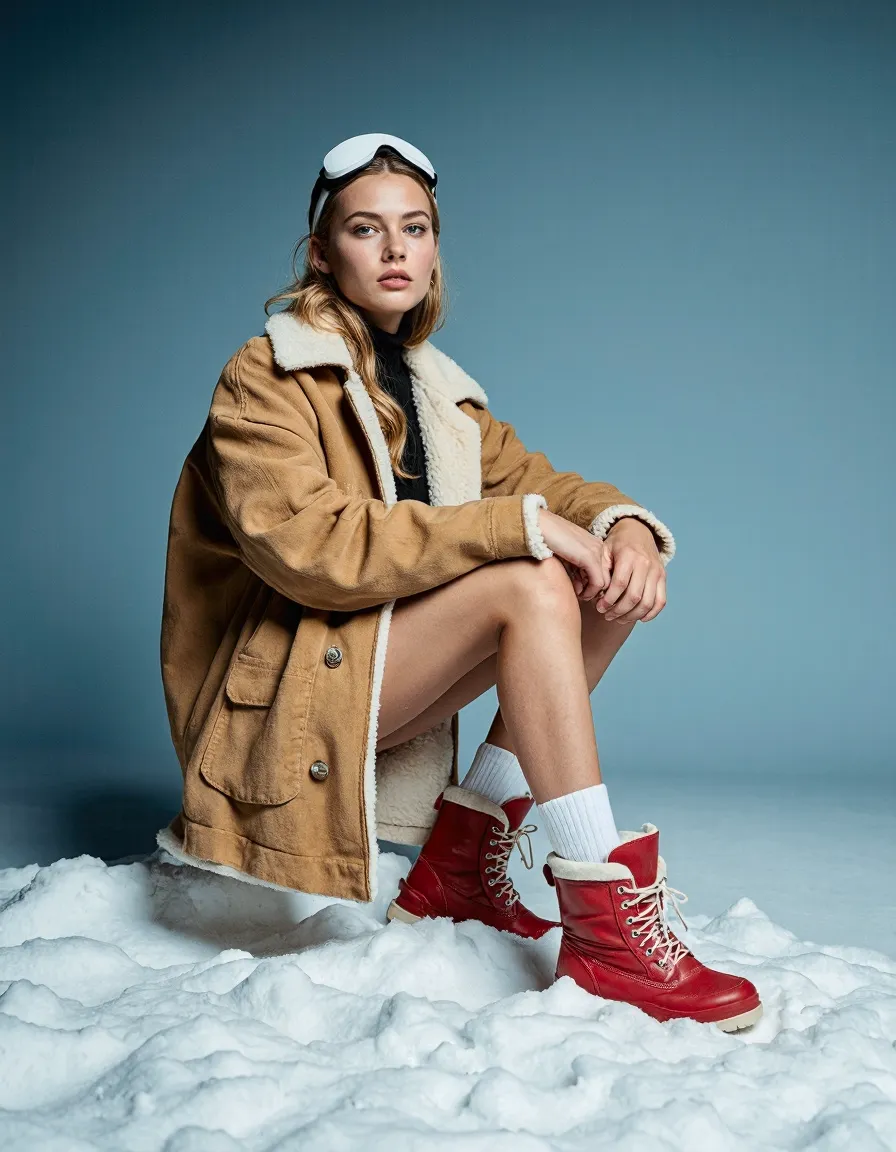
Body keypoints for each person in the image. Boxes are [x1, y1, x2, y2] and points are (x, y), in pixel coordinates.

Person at [157, 133, 762, 1032]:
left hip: (364, 678)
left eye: (415, 228)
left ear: (435, 246)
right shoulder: (267, 377)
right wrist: (517, 527)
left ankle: (457, 865)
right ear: (323, 253)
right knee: (529, 579)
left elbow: (549, 487)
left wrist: (625, 527)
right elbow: (311, 544)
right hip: (277, 707)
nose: (396, 249)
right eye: (367, 229)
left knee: (591, 568)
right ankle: (604, 930)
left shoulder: (440, 394)